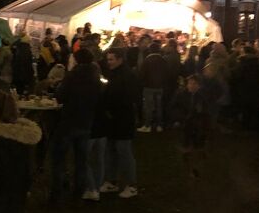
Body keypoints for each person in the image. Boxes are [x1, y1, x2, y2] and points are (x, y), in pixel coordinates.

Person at [49, 48, 102, 203]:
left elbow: (60, 97)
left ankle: (56, 195)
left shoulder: (73, 76)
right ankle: (78, 194)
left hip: (68, 121)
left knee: (59, 159)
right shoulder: (95, 77)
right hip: (86, 122)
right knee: (81, 161)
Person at [99, 48, 140, 199]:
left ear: (120, 59)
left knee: (124, 152)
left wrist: (110, 107)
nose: (108, 62)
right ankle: (111, 181)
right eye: (108, 59)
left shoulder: (127, 76)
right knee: (111, 150)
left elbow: (126, 98)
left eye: (111, 59)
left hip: (123, 120)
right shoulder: (116, 74)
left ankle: (131, 184)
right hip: (113, 119)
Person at [171, 75, 210, 178]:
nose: (192, 86)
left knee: (196, 146)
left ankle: (194, 167)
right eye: (190, 83)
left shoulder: (202, 97)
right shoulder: (180, 95)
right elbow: (174, 107)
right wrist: (179, 119)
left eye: (195, 84)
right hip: (184, 123)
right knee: (185, 143)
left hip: (197, 125)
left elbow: (205, 112)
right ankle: (186, 160)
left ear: (199, 86)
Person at [138, 42, 169, 133]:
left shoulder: (147, 60)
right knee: (159, 106)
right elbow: (166, 74)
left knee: (148, 107)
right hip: (160, 87)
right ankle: (159, 125)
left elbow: (142, 74)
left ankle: (147, 125)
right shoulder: (163, 60)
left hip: (149, 87)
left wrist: (142, 83)